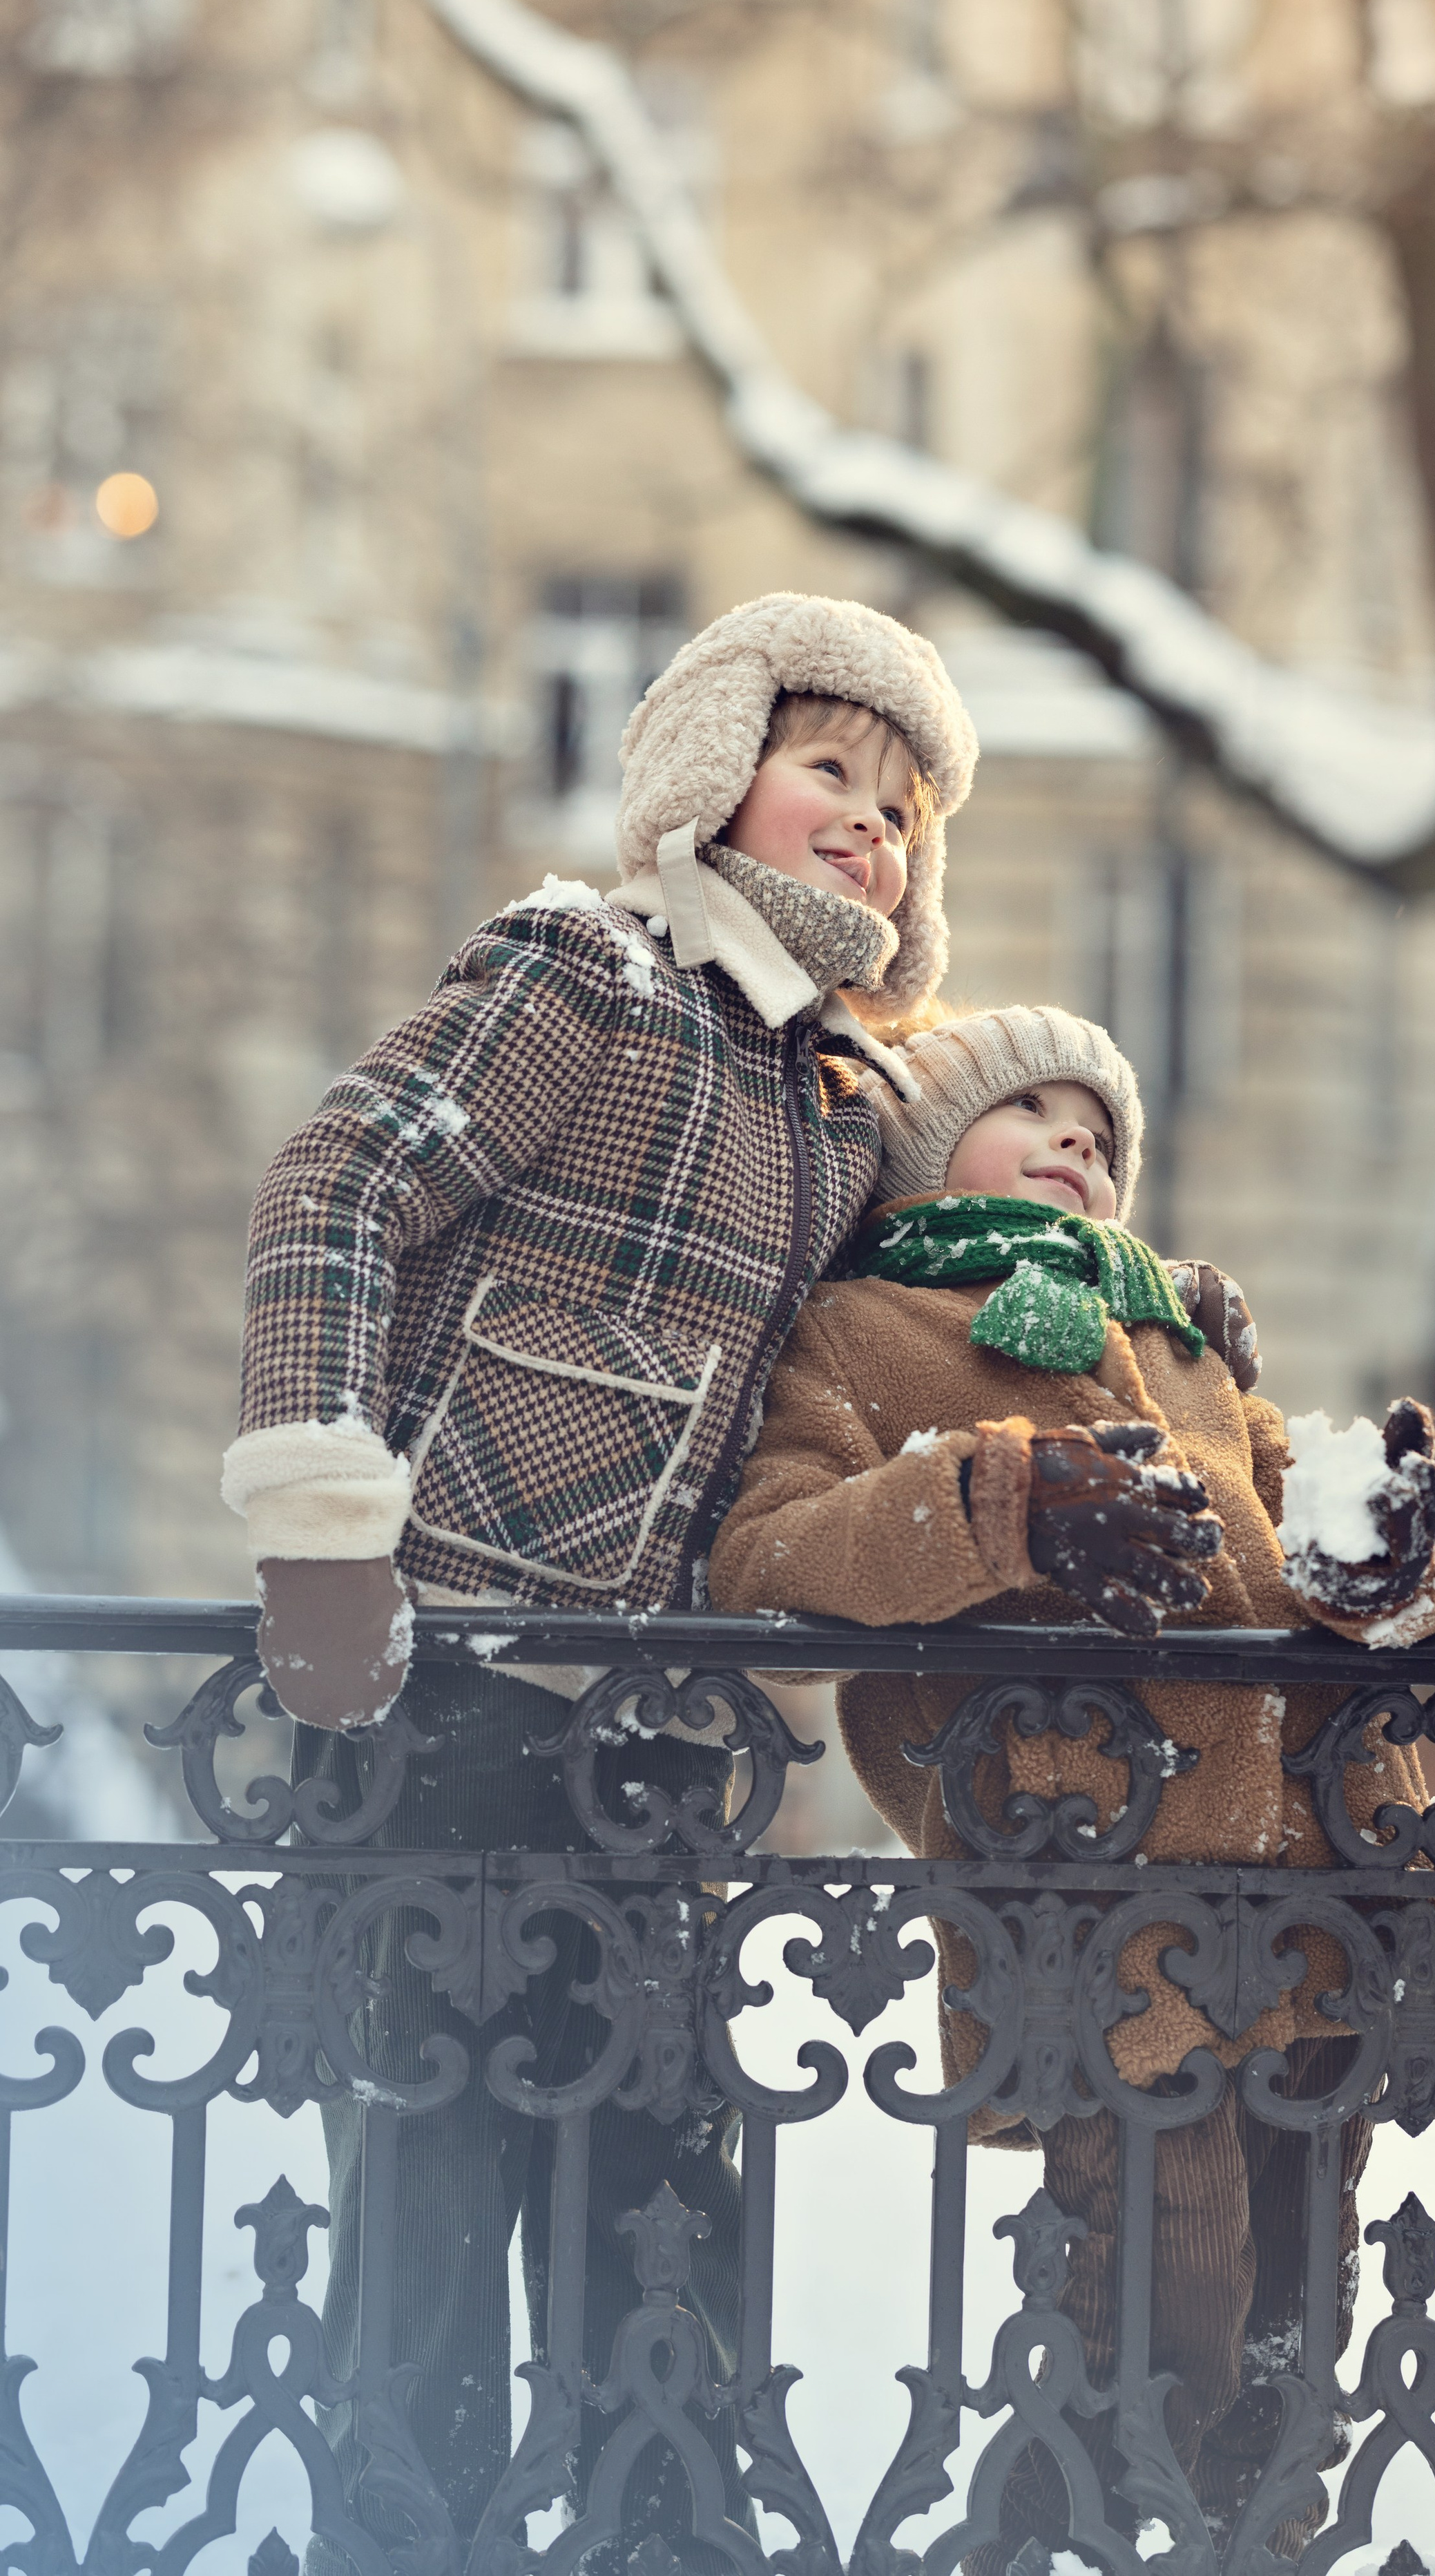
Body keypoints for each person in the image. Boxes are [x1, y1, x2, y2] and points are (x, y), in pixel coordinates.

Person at [218, 592, 978, 2558]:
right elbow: (339, 1185)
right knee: (427, 2216)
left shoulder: (838, 1109)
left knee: (655, 2229)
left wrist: (1141, 1309)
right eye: (829, 766)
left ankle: (664, 2535)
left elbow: (930, 1318)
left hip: (648, 1750)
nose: (870, 819)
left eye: (903, 808)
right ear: (716, 768)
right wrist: (321, 1532)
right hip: (440, 1690)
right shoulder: (590, 973)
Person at [708, 1002, 1435, 2562]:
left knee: (1299, 2278)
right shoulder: (861, 1328)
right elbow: (766, 1552)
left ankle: (1253, 2519)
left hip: (1304, 1869)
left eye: (1102, 1130)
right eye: (1031, 1109)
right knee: (1161, 2257)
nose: (1076, 1138)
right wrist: (998, 1505)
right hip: (1094, 1882)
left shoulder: (1185, 1341)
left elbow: (1314, 1559)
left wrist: (1390, 1557)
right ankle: (1111, 2516)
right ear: (929, 1150)